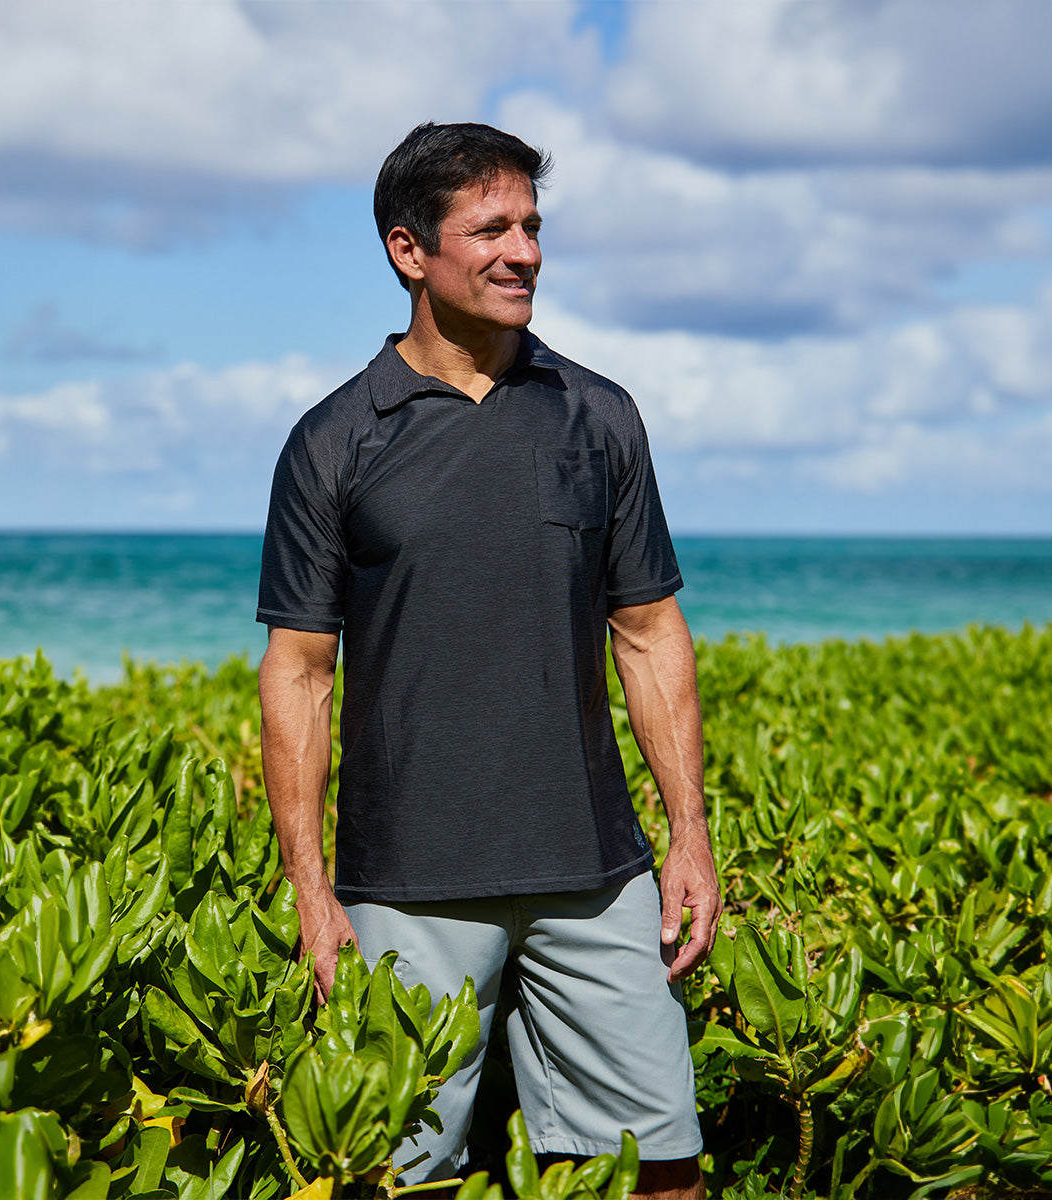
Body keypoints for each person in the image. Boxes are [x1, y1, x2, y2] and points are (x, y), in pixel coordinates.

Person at [256, 121, 721, 1200]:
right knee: (395, 1179)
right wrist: (310, 891)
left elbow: (649, 634)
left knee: (664, 1176)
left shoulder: (600, 416)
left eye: (532, 226)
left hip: (597, 877)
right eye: (491, 229)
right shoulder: (334, 440)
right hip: (404, 891)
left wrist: (688, 837)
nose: (524, 253)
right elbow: (300, 673)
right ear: (408, 251)